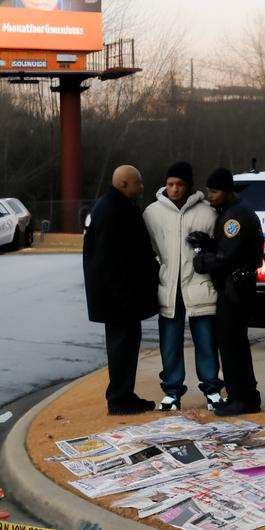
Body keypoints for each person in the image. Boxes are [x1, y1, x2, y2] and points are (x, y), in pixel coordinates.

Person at [143, 161, 224, 412]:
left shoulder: (209, 213)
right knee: (169, 341)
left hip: (199, 285)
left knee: (206, 340)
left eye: (179, 184)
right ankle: (172, 392)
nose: (174, 189)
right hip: (169, 286)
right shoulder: (151, 213)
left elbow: (219, 249)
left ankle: (212, 390)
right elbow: (150, 249)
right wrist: (160, 269)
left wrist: (206, 250)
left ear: (189, 186)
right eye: (170, 184)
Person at [82, 165, 160, 415]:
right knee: (122, 349)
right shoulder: (112, 210)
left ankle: (123, 394)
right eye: (137, 182)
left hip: (119, 298)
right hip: (118, 300)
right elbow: (110, 260)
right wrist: (125, 299)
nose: (142, 186)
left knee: (124, 348)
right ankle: (119, 399)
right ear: (123, 185)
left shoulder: (115, 206)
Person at [191, 167, 264, 415]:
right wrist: (209, 242)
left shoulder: (235, 216)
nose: (209, 195)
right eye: (208, 190)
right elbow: (230, 247)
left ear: (226, 191)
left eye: (213, 191)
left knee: (231, 342)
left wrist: (203, 260)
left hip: (236, 287)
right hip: (238, 284)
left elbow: (227, 257)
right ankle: (244, 395)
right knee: (233, 342)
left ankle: (242, 398)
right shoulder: (234, 210)